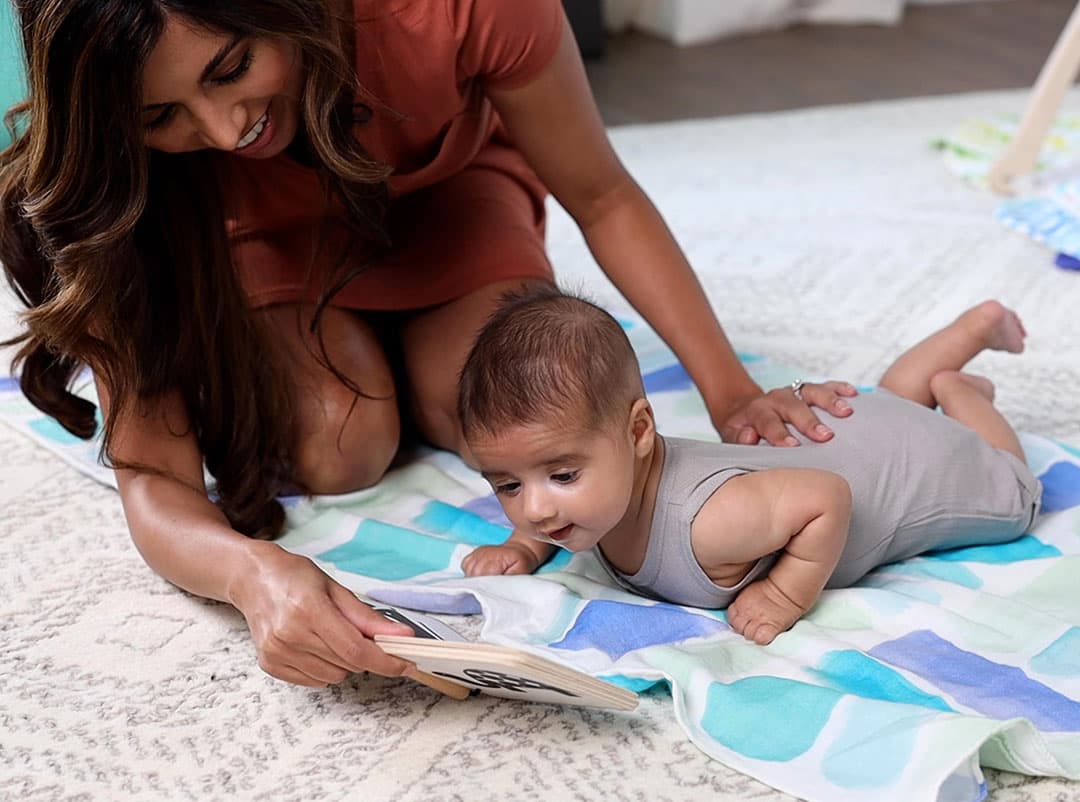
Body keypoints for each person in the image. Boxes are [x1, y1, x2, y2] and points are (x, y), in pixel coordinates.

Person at [0, 0, 856, 688]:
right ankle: (355, 353)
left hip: (449, 204)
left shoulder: (455, 9)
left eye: (231, 69)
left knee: (509, 411)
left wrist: (730, 390)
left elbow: (601, 194)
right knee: (338, 445)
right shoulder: (120, 186)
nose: (225, 131)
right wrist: (251, 574)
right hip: (263, 238)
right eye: (161, 115)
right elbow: (153, 479)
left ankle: (404, 353)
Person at [459, 287, 1042, 645]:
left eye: (561, 476)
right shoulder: (589, 492)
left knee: (1017, 497)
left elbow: (828, 497)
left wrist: (788, 594)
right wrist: (527, 547)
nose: (535, 507)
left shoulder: (709, 522)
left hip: (908, 470)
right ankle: (968, 331)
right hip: (850, 435)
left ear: (639, 431)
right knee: (891, 403)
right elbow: (542, 508)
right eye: (508, 484)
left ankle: (962, 392)